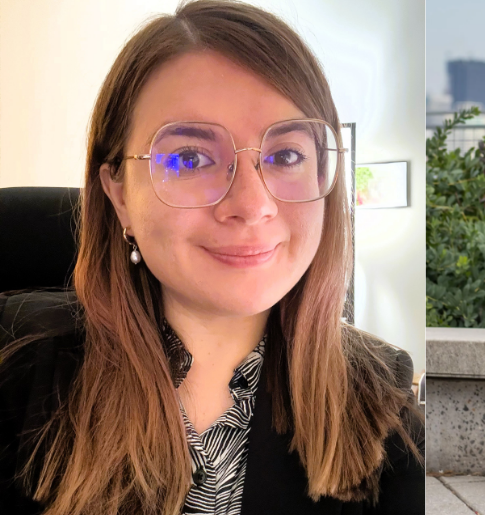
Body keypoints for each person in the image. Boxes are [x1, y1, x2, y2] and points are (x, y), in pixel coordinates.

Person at [0, 1, 424, 514]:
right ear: (118, 196)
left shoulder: (383, 402)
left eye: (287, 155)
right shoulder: (17, 375)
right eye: (188, 158)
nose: (251, 205)